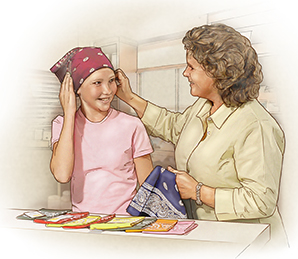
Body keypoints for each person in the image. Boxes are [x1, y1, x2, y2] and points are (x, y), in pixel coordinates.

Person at [115, 24, 287, 246]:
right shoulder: (203, 106)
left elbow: (262, 201)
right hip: (212, 237)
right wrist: (129, 97)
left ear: (217, 71)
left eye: (191, 67)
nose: (186, 73)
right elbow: (173, 125)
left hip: (251, 244)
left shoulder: (257, 126)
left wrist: (199, 192)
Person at [50, 47, 153, 215]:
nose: (107, 90)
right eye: (98, 82)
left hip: (125, 224)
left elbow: (149, 190)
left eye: (111, 81)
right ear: (77, 88)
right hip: (82, 224)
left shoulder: (132, 125)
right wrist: (69, 114)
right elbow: (62, 175)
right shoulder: (62, 124)